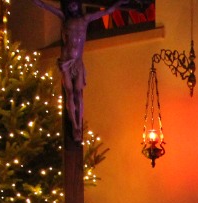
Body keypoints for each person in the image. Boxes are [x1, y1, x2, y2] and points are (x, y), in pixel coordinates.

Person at [34, 0, 136, 142]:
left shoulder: (85, 19)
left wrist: (119, 2)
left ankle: (79, 125)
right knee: (69, 92)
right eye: (69, 4)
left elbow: (107, 11)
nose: (71, 5)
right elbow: (45, 6)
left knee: (78, 93)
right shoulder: (64, 18)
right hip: (66, 60)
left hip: (78, 61)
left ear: (78, 5)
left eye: (74, 3)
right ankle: (75, 126)